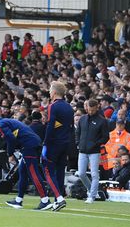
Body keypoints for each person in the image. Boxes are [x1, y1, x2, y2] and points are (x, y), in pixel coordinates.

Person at [0, 113, 54, 211]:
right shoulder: (3, 122)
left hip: (29, 146)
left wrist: (10, 154)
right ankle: (18, 200)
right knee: (23, 173)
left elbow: (10, 138)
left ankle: (45, 201)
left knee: (33, 174)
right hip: (30, 144)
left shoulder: (0, 124)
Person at [41, 82, 73, 211]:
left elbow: (50, 126)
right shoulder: (69, 107)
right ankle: (56, 200)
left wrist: (45, 143)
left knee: (48, 171)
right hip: (65, 142)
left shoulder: (52, 106)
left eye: (50, 90)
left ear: (54, 92)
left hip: (54, 143)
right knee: (60, 172)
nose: (49, 92)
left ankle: (59, 198)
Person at [75, 99, 109, 203]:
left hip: (94, 151)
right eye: (89, 110)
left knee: (94, 174)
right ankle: (92, 190)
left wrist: (96, 144)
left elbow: (105, 137)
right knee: (81, 173)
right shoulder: (82, 119)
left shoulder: (102, 120)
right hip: (82, 150)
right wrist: (78, 142)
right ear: (87, 108)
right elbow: (78, 132)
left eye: (93, 110)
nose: (91, 112)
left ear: (96, 108)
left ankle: (92, 196)